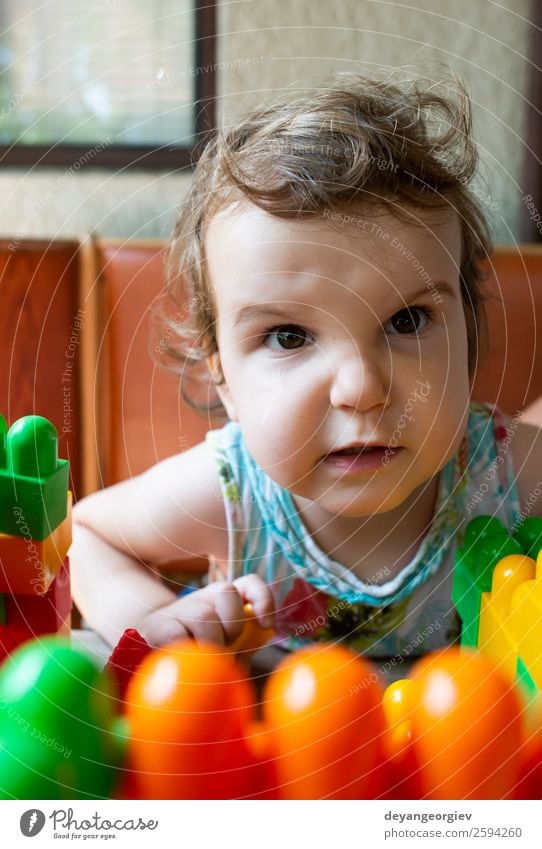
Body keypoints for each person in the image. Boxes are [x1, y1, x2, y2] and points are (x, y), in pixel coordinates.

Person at [70, 72, 542, 659]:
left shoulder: (503, 472)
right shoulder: (233, 492)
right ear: (224, 377)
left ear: (467, 336)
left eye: (406, 321)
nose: (361, 389)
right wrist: (158, 621)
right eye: (289, 336)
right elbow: (83, 537)